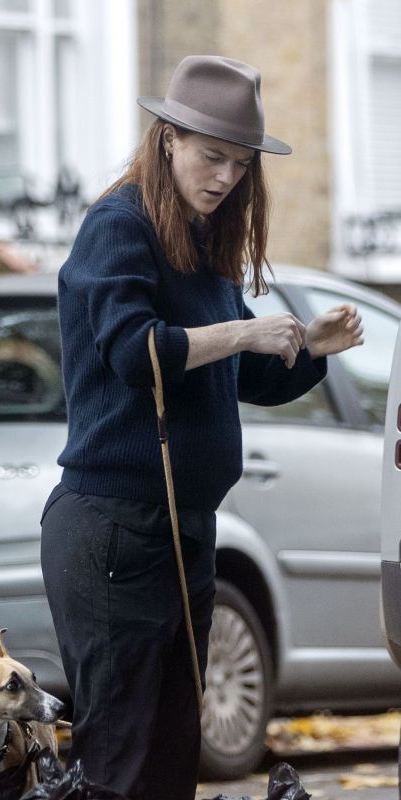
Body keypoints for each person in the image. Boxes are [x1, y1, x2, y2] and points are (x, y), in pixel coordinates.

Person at [40, 55, 363, 800]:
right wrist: (245, 334)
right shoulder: (118, 226)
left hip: (181, 529)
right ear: (167, 142)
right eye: (211, 157)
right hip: (113, 532)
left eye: (240, 164)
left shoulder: (199, 241)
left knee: (168, 759)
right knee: (121, 760)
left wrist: (306, 345)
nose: (224, 177)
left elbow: (241, 374)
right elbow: (134, 351)